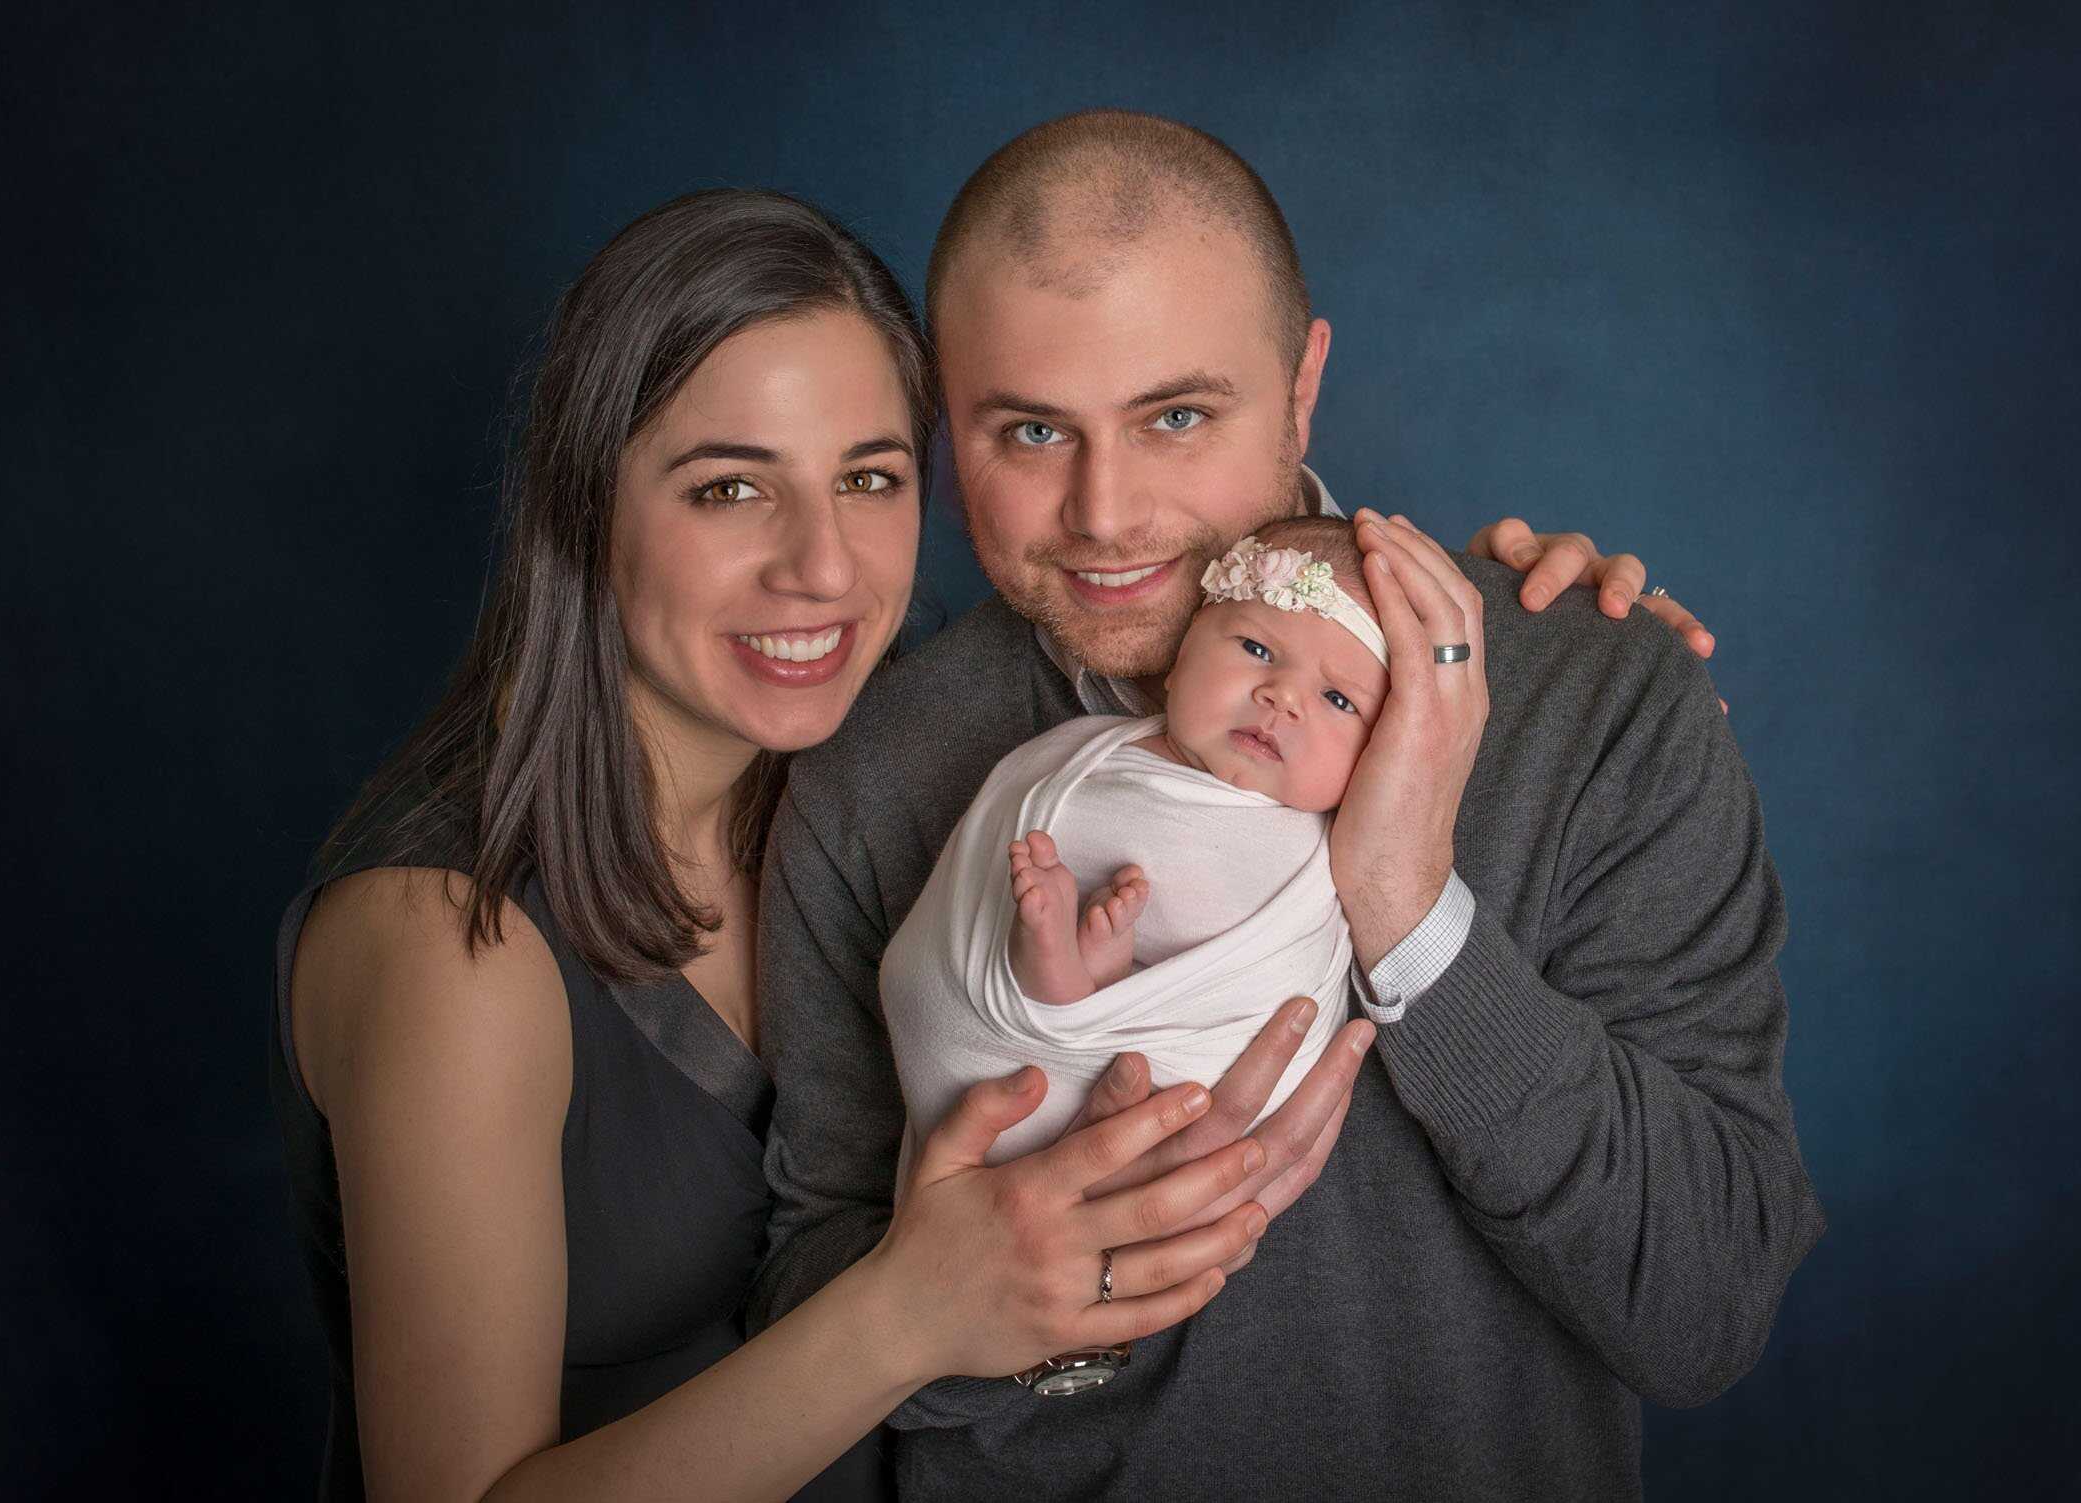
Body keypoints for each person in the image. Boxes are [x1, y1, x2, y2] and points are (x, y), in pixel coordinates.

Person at [270, 186, 1659, 1501]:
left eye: (868, 477)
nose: (822, 566)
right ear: (585, 500)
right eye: (728, 489)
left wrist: (1544, 646)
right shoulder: (446, 940)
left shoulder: (851, 778)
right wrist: (912, 1312)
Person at [754, 111, 1827, 1501]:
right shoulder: (875, 768)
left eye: (1177, 416)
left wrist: (1414, 915)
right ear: (945, 422)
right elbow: (814, 1309)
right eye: (1029, 430)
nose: (1104, 512)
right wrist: (1026, 1317)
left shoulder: (1588, 690)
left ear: (1303, 385)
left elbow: (1707, 1305)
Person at [885, 518, 1389, 1168]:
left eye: (1338, 699)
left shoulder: (1324, 845)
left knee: (1116, 917)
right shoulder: (1078, 754)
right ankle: (1073, 971)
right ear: (1181, 657)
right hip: (981, 1088)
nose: (1282, 697)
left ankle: (1078, 971)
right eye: (1257, 649)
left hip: (1188, 1102)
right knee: (1078, 901)